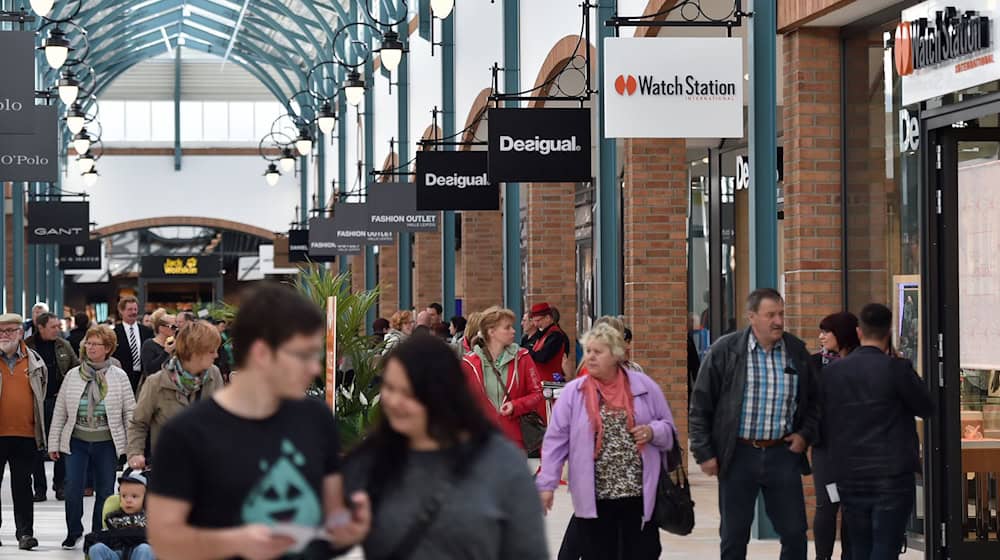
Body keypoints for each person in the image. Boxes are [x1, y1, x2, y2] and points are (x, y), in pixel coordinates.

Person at [146, 282, 370, 559]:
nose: (314, 368)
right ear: (262, 353)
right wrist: (234, 542)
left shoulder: (316, 419)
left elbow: (332, 511)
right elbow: (164, 539)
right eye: (303, 355)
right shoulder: (186, 435)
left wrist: (347, 529)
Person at [344, 335, 548, 560]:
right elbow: (315, 538)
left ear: (441, 394)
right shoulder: (369, 461)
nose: (394, 401)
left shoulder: (500, 464)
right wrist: (342, 532)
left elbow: (530, 551)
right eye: (390, 388)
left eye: (409, 392)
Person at [689, 288, 820, 560]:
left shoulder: (796, 351)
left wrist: (804, 435)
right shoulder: (725, 351)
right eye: (770, 314)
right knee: (734, 536)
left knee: (796, 533)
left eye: (781, 314)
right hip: (738, 455)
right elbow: (701, 404)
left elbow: (815, 402)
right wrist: (704, 452)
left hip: (782, 454)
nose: (778, 321)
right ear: (752, 317)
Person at [537, 323, 675, 560]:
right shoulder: (574, 392)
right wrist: (547, 485)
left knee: (642, 553)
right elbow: (555, 441)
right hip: (595, 496)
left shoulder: (645, 387)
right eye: (587, 351)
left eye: (597, 352)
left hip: (638, 494)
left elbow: (669, 430)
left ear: (616, 354)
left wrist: (652, 432)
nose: (589, 357)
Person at [821, 304, 933, 560]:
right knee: (886, 546)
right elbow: (926, 407)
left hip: (850, 473)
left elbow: (821, 420)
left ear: (859, 332)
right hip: (892, 474)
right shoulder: (897, 369)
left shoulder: (835, 372)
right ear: (889, 332)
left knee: (859, 546)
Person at [49, 324, 136, 550]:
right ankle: (73, 531)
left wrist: (133, 446)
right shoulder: (73, 375)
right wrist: (54, 442)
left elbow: (130, 412)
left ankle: (98, 533)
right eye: (88, 343)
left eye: (95, 344)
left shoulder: (119, 376)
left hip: (106, 442)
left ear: (108, 348)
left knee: (105, 490)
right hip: (76, 440)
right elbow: (61, 411)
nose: (90, 347)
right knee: (73, 487)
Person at [127, 321, 224, 471]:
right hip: (168, 468)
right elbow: (139, 423)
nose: (216, 355)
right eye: (211, 351)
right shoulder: (156, 383)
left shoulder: (214, 375)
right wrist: (135, 454)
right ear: (194, 352)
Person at [810, 311, 860, 560]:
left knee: (853, 507)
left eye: (826, 332)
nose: (821, 337)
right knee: (826, 506)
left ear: (842, 334)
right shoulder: (815, 363)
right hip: (826, 449)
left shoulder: (863, 363)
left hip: (857, 449)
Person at [461, 307, 544, 451]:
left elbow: (537, 393)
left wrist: (516, 406)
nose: (514, 331)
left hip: (514, 440)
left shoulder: (523, 357)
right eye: (507, 327)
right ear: (491, 332)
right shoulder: (469, 363)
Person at [0, 313, 47, 550]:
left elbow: (41, 394)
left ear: (21, 333)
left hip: (25, 434)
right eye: (1, 331)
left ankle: (25, 534)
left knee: (22, 487)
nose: (5, 335)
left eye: (10, 330)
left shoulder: (35, 361)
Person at [26, 312, 80, 502]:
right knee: (36, 447)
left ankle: (60, 485)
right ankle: (39, 489)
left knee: (60, 443)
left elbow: (76, 368)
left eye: (59, 326)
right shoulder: (27, 346)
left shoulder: (63, 345)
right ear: (40, 327)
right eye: (53, 327)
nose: (58, 329)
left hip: (58, 402)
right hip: (35, 403)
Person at [84, 468, 153, 560]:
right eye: (124, 496)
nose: (128, 500)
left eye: (134, 496)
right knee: (96, 549)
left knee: (146, 549)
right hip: (117, 554)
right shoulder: (113, 518)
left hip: (139, 554)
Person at [112, 296, 154, 394]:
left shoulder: (147, 332)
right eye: (130, 309)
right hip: (123, 378)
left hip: (143, 377)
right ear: (121, 311)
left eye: (135, 309)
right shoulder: (114, 333)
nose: (133, 312)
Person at [523, 302, 570, 383]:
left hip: (551, 383)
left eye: (538, 321)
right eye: (534, 321)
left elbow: (543, 357)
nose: (536, 324)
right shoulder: (543, 334)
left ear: (548, 318)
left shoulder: (556, 335)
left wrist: (526, 351)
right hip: (542, 381)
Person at [140, 309, 176, 381]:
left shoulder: (174, 344)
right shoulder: (149, 345)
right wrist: (166, 352)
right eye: (173, 327)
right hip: (156, 388)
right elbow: (150, 370)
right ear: (161, 328)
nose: (175, 329)